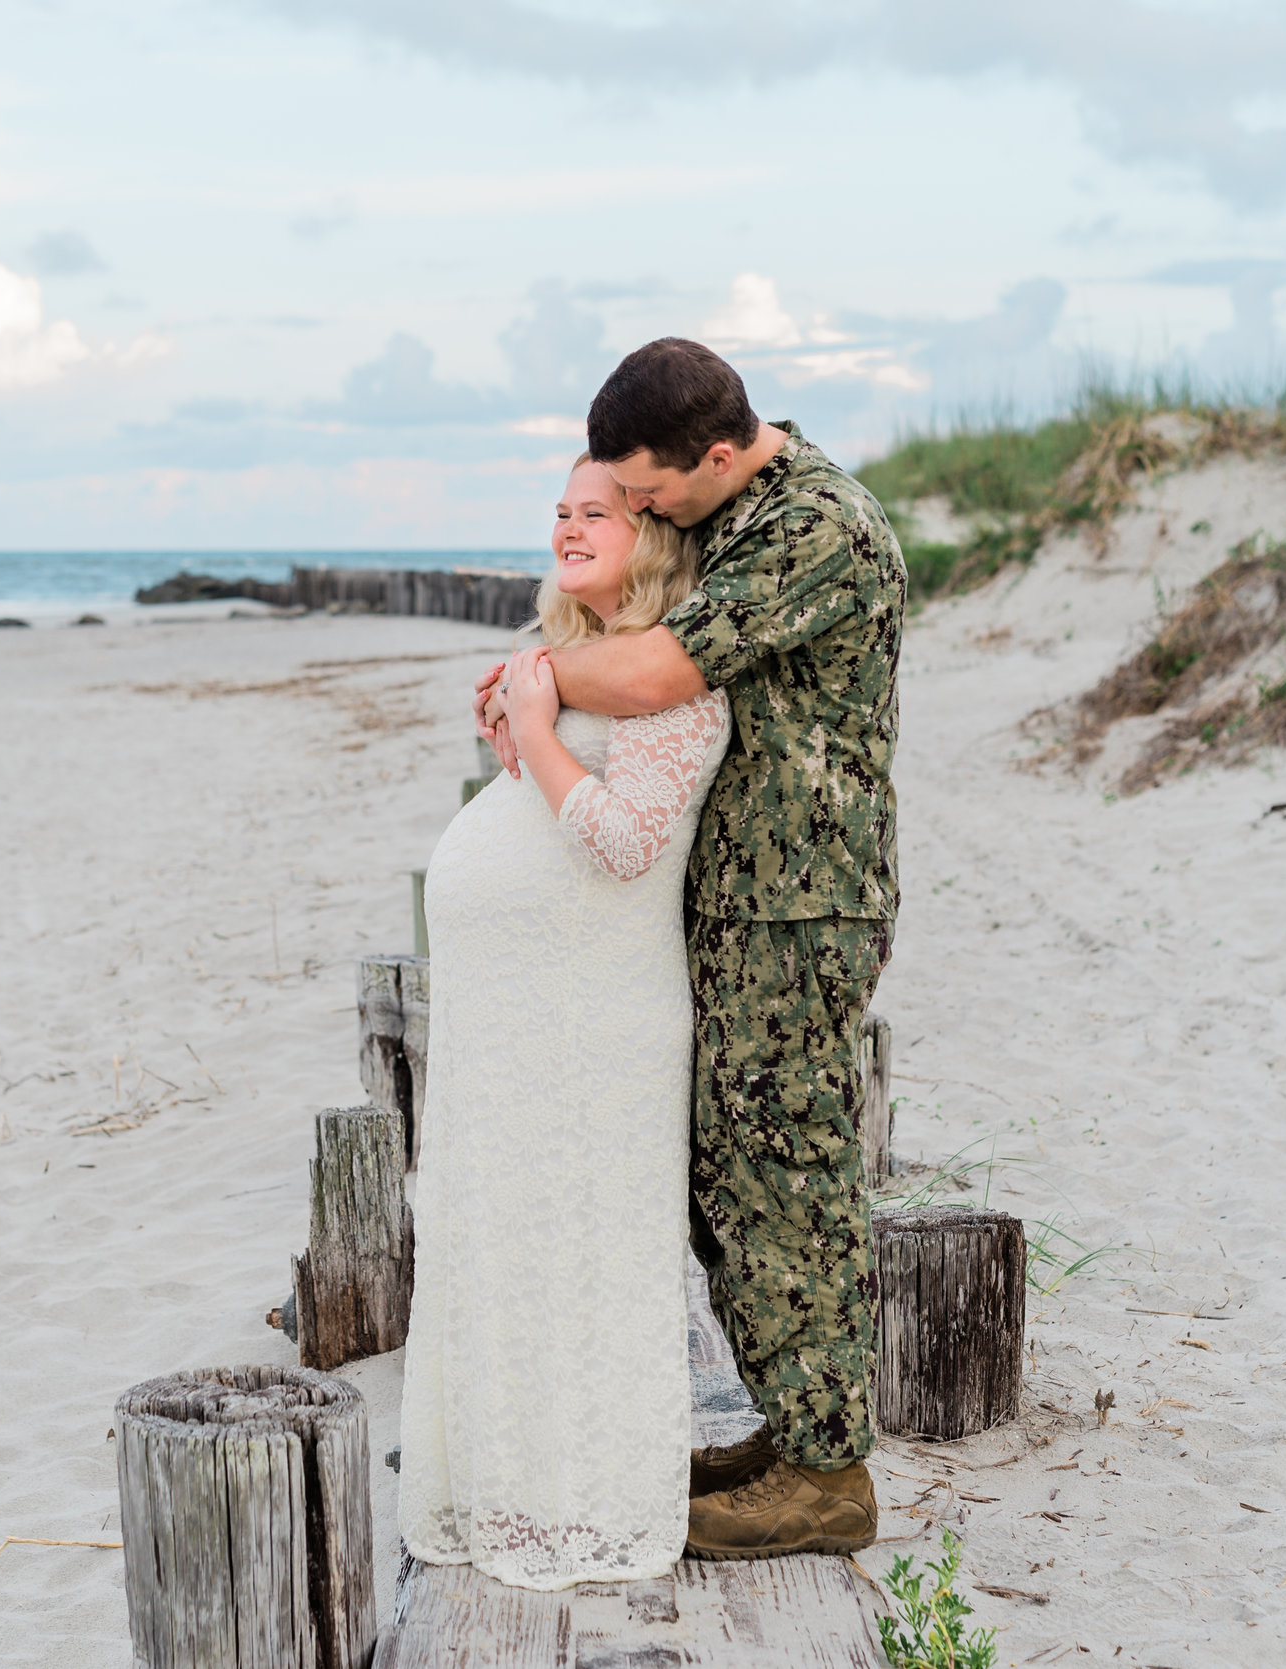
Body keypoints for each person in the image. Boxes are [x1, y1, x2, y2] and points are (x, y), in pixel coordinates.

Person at [475, 337, 906, 1562]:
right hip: (741, 897)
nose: (644, 511)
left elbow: (665, 668)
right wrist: (536, 677)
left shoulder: (817, 525)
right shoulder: (740, 505)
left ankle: (828, 1479)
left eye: (652, 490)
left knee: (790, 1178)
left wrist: (536, 679)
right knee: (730, 1174)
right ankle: (793, 1433)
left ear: (716, 454)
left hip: (800, 903)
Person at [396, 453, 732, 1591]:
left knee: (578, 1249)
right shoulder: (570, 663)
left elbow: (627, 843)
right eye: (559, 510)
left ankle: (581, 1501)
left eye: (597, 512)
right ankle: (503, 1481)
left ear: (654, 531)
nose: (567, 526)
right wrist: (529, 714)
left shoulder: (676, 674)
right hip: (515, 1012)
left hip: (593, 1014)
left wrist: (536, 727)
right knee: (499, 1235)